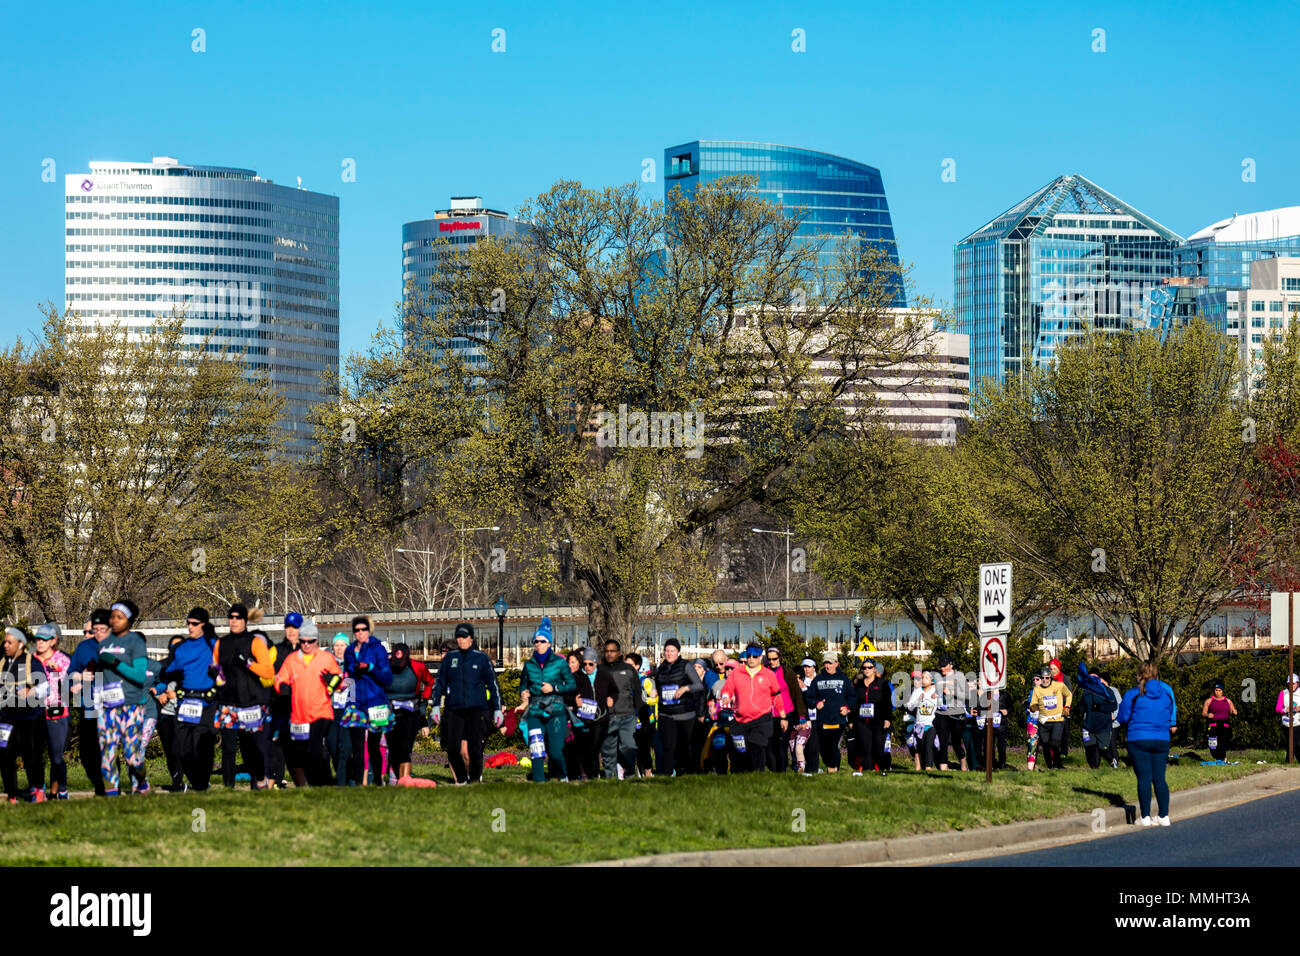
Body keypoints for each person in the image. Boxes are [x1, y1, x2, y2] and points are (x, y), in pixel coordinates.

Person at [213, 604, 276, 789]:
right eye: (230, 617)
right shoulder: (221, 644)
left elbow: (268, 672)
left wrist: (248, 663)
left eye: (237, 617)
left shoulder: (254, 642)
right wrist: (216, 675)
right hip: (228, 703)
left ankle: (257, 781)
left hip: (250, 702)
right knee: (228, 749)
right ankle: (228, 788)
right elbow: (216, 667)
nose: (233, 621)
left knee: (251, 748)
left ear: (245, 620)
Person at [431, 622, 502, 784]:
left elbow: (493, 685)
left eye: (465, 637)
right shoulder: (450, 659)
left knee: (472, 750)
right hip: (455, 710)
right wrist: (435, 705)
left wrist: (497, 708)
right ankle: (461, 779)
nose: (462, 640)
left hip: (476, 710)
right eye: (459, 637)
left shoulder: (481, 658)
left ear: (471, 638)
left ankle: (475, 779)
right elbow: (440, 683)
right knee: (453, 748)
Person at [273, 621, 341, 786]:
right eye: (303, 641)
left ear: (316, 642)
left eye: (310, 641)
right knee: (303, 751)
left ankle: (324, 782)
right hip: (299, 716)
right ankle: (318, 782)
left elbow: (340, 679)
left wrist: (334, 681)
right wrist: (282, 687)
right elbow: (279, 680)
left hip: (321, 712)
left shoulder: (326, 658)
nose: (306, 644)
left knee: (315, 747)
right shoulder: (292, 659)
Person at [158, 609, 220, 791]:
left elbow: (226, 667)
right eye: (188, 623)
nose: (190, 627)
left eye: (195, 623)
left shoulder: (213, 645)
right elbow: (168, 670)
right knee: (180, 748)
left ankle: (201, 783)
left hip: (207, 703)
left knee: (203, 746)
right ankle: (199, 782)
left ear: (204, 625)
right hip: (185, 702)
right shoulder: (182, 648)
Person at [96, 600, 152, 795]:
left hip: (132, 706)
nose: (114, 620)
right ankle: (111, 794)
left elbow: (139, 675)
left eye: (120, 617)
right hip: (108, 706)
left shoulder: (135, 642)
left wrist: (115, 662)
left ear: (129, 620)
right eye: (112, 616)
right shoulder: (103, 643)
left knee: (132, 756)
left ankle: (142, 781)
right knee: (108, 752)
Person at [1117, 660, 1177, 826]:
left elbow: (1123, 717)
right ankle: (1164, 816)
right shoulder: (1166, 693)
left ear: (1140, 675)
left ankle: (1145, 817)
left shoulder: (1133, 694)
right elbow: (1170, 712)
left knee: (1144, 778)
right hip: (1161, 739)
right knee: (1160, 778)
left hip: (1139, 738)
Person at [516, 617, 574, 782]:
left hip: (556, 712)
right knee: (536, 751)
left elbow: (570, 685)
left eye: (542, 641)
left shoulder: (559, 663)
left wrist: (554, 688)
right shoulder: (529, 665)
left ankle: (563, 777)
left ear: (549, 644)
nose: (538, 644)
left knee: (555, 751)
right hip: (535, 712)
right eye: (536, 641)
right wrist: (524, 693)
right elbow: (523, 685)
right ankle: (539, 782)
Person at [342, 615, 394, 786]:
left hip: (376, 701)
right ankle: (359, 783)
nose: (360, 633)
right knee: (357, 747)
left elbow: (387, 678)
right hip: (355, 703)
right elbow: (349, 674)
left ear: (369, 630)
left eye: (363, 629)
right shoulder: (349, 650)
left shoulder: (377, 649)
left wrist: (370, 668)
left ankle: (378, 780)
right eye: (356, 630)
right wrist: (354, 668)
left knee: (374, 745)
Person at [717, 643, 786, 772]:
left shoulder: (768, 674)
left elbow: (776, 696)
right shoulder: (737, 673)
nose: (751, 659)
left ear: (760, 657)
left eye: (755, 656)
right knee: (740, 753)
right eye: (749, 656)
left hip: (761, 719)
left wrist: (783, 716)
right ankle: (741, 777)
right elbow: (727, 689)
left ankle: (758, 776)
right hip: (740, 720)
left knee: (757, 748)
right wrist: (726, 696)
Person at [1, 626, 49, 803]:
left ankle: (37, 789)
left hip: (31, 718)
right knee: (5, 755)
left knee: (32, 756)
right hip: (7, 718)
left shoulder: (31, 662)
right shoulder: (2, 663)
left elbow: (46, 688)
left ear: (20, 644)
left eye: (10, 642)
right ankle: (12, 795)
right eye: (4, 641)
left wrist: (32, 691)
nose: (5, 645)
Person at [67, 610, 109, 796]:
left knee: (108, 750)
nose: (93, 634)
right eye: (92, 630)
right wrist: (78, 677)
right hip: (89, 708)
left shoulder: (119, 645)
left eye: (98, 630)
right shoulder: (84, 649)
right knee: (87, 753)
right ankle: (99, 784)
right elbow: (69, 673)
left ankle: (110, 788)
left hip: (112, 708)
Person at [653, 637, 704, 777]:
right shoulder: (660, 669)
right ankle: (668, 775)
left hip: (684, 714)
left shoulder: (686, 666)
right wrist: (654, 691)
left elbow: (699, 685)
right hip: (665, 713)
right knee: (668, 746)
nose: (669, 653)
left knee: (683, 747)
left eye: (672, 651)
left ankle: (686, 773)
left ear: (678, 653)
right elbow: (657, 687)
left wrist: (685, 688)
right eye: (667, 651)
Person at [32, 623, 71, 799]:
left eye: (44, 639)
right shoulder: (30, 660)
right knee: (35, 756)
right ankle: (38, 790)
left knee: (56, 758)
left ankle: (61, 789)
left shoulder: (63, 659)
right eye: (38, 639)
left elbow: (70, 683)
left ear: (53, 641)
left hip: (57, 714)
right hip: (34, 713)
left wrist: (59, 670)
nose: (40, 643)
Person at [266, 611, 304, 788]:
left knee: (301, 744)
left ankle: (304, 779)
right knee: (278, 745)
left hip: (301, 706)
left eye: (294, 627)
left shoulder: (306, 651)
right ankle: (277, 780)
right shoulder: (277, 650)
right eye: (288, 627)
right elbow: (268, 675)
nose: (290, 631)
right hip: (281, 704)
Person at [598, 639, 641, 779]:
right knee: (608, 751)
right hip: (607, 717)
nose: (609, 654)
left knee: (628, 747)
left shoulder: (628, 669)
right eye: (607, 651)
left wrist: (639, 712)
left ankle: (630, 775)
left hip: (627, 716)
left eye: (612, 651)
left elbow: (638, 693)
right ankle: (611, 779)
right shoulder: (600, 670)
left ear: (619, 652)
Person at [806, 651, 855, 774]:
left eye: (830, 663)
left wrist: (847, 708)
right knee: (824, 747)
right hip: (822, 720)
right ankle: (832, 766)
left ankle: (832, 768)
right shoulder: (818, 679)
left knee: (833, 745)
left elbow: (852, 698)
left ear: (836, 663)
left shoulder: (844, 679)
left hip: (838, 719)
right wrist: (816, 703)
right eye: (826, 663)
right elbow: (809, 698)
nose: (828, 666)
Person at [152, 636, 185, 791]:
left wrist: (178, 694)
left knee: (185, 748)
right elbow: (152, 686)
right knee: (170, 749)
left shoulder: (190, 666)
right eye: (173, 647)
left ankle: (197, 777)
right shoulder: (161, 666)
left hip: (185, 712)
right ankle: (177, 781)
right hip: (165, 713)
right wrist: (159, 693)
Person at [561, 649, 599, 780]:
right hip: (566, 719)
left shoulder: (584, 679)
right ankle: (571, 775)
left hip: (584, 719)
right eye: (568, 662)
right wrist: (573, 701)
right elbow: (561, 696)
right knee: (569, 750)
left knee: (584, 749)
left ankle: (587, 774)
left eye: (573, 662)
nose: (570, 665)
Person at [850, 660, 892, 776]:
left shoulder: (882, 684)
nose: (867, 670)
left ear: (874, 669)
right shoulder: (858, 685)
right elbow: (854, 703)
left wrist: (887, 719)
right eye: (864, 668)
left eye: (869, 667)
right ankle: (867, 771)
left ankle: (879, 769)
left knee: (878, 747)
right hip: (862, 721)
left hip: (878, 721)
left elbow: (887, 703)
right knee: (865, 747)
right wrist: (852, 720)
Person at [1076, 661, 1118, 770]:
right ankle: (1094, 769)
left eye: (1095, 678)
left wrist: (1100, 708)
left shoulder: (1107, 691)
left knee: (1103, 748)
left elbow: (1113, 706)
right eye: (1091, 678)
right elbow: (1081, 708)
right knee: (1089, 747)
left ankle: (1112, 761)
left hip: (1102, 725)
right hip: (1088, 725)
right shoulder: (1086, 692)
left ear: (1099, 679)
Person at [1030, 665, 1072, 770]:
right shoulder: (1037, 689)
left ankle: (1057, 764)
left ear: (1050, 677)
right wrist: (1034, 707)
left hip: (1057, 720)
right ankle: (1050, 766)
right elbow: (1033, 703)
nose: (1045, 680)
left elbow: (1069, 695)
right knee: (1045, 744)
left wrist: (1067, 706)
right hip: (1044, 721)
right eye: (1043, 678)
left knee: (1054, 742)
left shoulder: (1059, 685)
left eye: (1047, 678)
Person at [326, 633, 354, 785]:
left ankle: (344, 781)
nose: (339, 648)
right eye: (336, 645)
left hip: (348, 710)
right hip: (330, 711)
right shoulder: (328, 665)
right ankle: (342, 774)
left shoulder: (352, 665)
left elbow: (355, 691)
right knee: (332, 747)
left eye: (342, 645)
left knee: (345, 748)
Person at [763, 647, 797, 772]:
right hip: (768, 714)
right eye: (769, 659)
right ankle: (774, 771)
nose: (772, 662)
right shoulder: (763, 672)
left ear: (780, 658)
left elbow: (796, 694)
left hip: (785, 713)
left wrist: (801, 716)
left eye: (774, 659)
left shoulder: (787, 672)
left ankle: (781, 773)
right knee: (769, 746)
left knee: (781, 745)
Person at [933, 655, 969, 771]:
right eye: (941, 666)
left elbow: (967, 695)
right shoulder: (938, 677)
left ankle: (963, 764)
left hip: (956, 713)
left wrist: (952, 692)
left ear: (951, 665)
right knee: (943, 742)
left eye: (944, 666)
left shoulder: (959, 676)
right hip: (941, 713)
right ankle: (944, 767)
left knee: (956, 743)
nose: (942, 668)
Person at [627, 653, 658, 776]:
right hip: (630, 718)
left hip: (645, 720)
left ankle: (648, 773)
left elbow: (654, 699)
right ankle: (637, 772)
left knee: (644, 749)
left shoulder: (646, 681)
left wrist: (644, 699)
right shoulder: (625, 679)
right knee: (632, 748)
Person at [905, 671, 940, 770]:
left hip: (931, 725)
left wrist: (939, 698)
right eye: (922, 677)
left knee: (928, 746)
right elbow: (910, 707)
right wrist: (918, 700)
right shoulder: (917, 691)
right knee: (919, 747)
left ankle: (928, 767)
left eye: (926, 678)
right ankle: (918, 767)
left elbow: (944, 704)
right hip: (919, 725)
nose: (923, 680)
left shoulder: (936, 691)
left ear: (931, 680)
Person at [1201, 681, 1237, 763]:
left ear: (1222, 691)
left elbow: (1232, 710)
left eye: (1220, 690)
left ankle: (1222, 758)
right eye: (1216, 690)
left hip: (1224, 725)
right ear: (1213, 691)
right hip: (1213, 725)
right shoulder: (1209, 701)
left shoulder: (1228, 701)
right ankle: (1217, 757)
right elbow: (1203, 713)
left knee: (1223, 743)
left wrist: (1234, 711)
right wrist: (1207, 715)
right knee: (1212, 745)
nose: (1218, 692)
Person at [793, 657, 819, 773]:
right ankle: (803, 768)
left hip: (818, 717)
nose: (806, 669)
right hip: (805, 718)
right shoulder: (801, 681)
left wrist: (804, 689)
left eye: (809, 667)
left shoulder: (819, 681)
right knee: (804, 746)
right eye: (804, 667)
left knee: (814, 746)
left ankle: (813, 770)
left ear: (814, 668)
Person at [1276, 673, 1300, 754]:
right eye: (1289, 684)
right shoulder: (1283, 693)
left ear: (1297, 683)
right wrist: (1285, 710)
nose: (1291, 685)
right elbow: (1278, 708)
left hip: (1298, 722)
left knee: (1293, 742)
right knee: (1291, 744)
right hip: (1287, 722)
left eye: (1293, 684)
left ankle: (1288, 762)